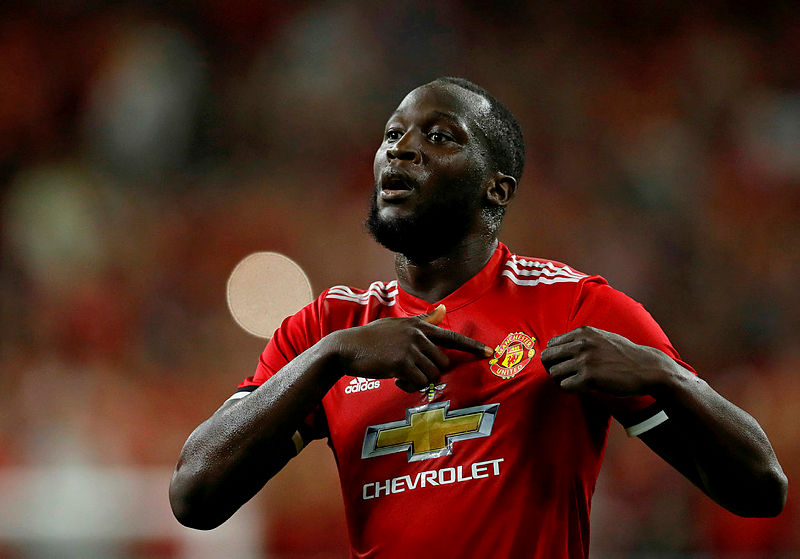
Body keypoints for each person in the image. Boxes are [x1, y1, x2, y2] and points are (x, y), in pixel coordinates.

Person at [169, 77, 787, 558]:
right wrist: (331, 358)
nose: (402, 149)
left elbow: (761, 489)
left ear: (496, 188)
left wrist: (666, 376)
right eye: (392, 135)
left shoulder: (574, 307)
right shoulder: (328, 328)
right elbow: (194, 496)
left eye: (439, 137)